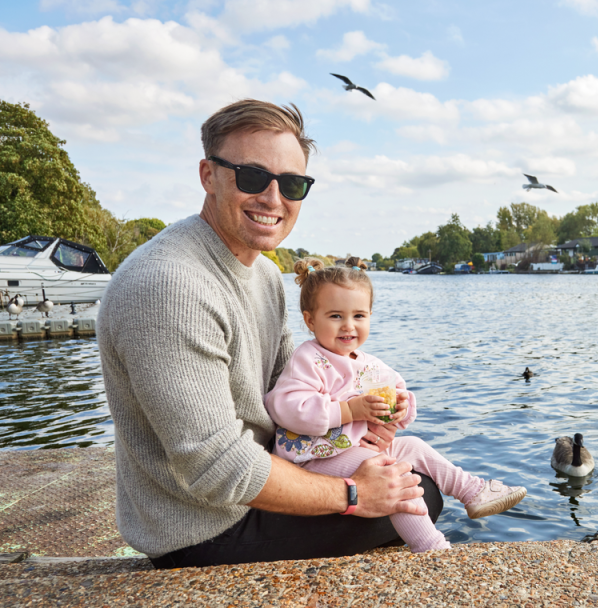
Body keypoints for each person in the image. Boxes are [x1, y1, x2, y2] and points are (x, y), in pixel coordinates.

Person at [98, 99, 443, 569]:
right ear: (208, 175)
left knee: (408, 475)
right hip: (202, 526)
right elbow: (215, 468)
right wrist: (353, 491)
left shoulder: (261, 273)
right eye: (252, 176)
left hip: (261, 479)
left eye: (294, 184)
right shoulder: (168, 285)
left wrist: (361, 423)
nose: (274, 199)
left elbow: (290, 387)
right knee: (419, 496)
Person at [266, 259, 527, 552]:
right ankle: (431, 547)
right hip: (314, 457)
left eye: (359, 315)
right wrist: (350, 411)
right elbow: (288, 406)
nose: (349, 326)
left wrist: (402, 407)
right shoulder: (309, 359)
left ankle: (472, 491)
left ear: (370, 316)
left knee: (414, 445)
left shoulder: (368, 363)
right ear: (311, 320)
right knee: (392, 474)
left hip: (353, 448)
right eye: (336, 316)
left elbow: (398, 391)